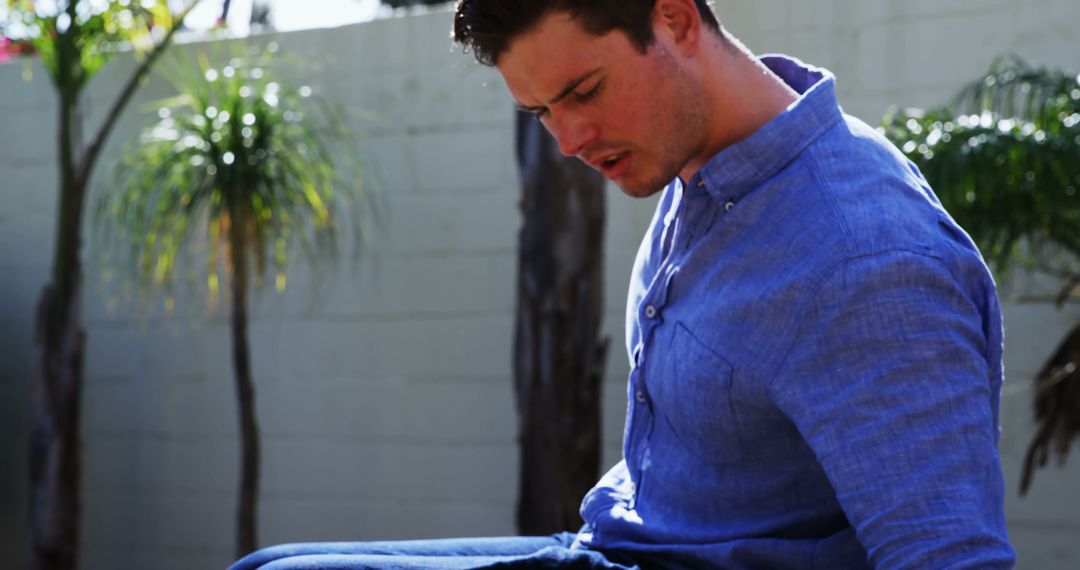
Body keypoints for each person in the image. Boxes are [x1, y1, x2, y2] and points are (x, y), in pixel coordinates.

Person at [231, 0, 1016, 568]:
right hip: (607, 544)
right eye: (541, 112)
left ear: (673, 18)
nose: (569, 139)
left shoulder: (865, 261)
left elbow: (949, 557)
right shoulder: (700, 163)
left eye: (582, 92)